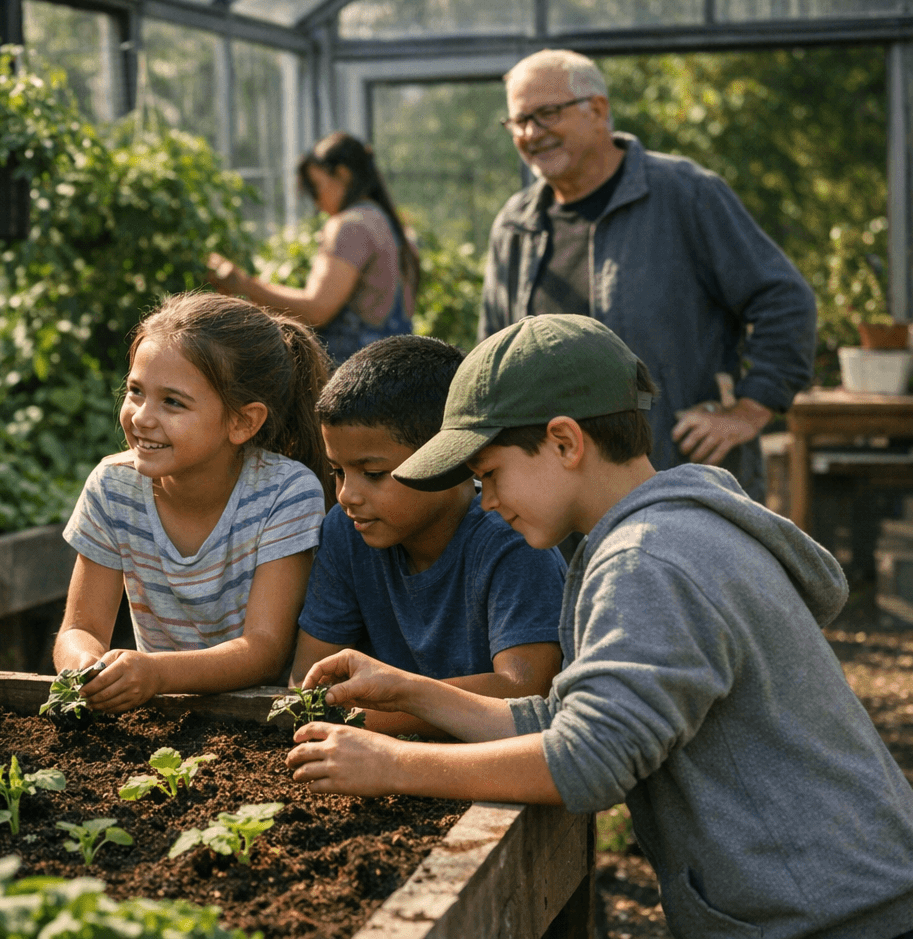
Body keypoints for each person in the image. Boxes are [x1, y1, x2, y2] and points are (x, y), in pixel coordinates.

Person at [287, 315, 913, 939]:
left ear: (564, 442)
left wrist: (394, 763)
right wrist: (409, 690)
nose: (485, 501)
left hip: (838, 920)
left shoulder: (649, 561)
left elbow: (585, 762)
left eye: (491, 475)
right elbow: (568, 720)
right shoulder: (668, 531)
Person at [482, 49, 816, 500]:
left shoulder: (684, 193)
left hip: (678, 482)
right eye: (518, 121)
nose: (530, 134)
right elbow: (492, 357)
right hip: (556, 500)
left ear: (596, 109)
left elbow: (784, 299)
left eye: (545, 115)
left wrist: (751, 408)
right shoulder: (517, 225)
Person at [53, 292, 329, 712]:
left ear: (242, 422)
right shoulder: (113, 487)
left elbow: (264, 649)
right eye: (135, 391)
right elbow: (80, 627)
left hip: (258, 718)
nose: (142, 416)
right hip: (159, 711)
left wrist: (156, 673)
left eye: (173, 402)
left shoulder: (285, 493)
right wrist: (88, 669)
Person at [290, 334, 564, 737]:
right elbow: (309, 680)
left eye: (373, 473)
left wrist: (380, 709)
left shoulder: (512, 541)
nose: (347, 495)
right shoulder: (345, 531)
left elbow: (525, 694)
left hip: (499, 765)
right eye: (337, 471)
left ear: (446, 457)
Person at [207, 131, 419, 366]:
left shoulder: (351, 226)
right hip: (394, 369)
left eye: (316, 187)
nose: (317, 204)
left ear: (343, 175)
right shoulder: (390, 225)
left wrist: (244, 285)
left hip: (353, 373)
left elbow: (317, 309)